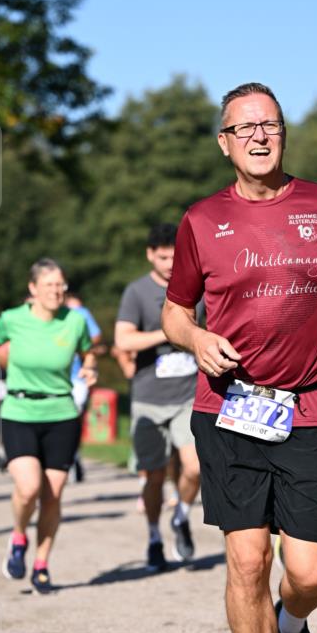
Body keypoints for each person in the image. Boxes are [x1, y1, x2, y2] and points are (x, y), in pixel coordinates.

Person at [162, 82, 317, 633]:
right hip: (228, 408)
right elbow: (175, 311)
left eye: (270, 125)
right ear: (223, 142)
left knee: (311, 573)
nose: (258, 136)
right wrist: (195, 339)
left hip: (308, 405)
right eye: (243, 127)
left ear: (283, 134)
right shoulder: (199, 221)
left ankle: (290, 627)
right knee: (246, 560)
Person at [0, 259, 98, 593]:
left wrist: (90, 368)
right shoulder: (12, 319)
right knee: (29, 487)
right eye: (49, 285)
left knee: (52, 496)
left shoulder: (75, 321)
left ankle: (42, 564)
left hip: (62, 414)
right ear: (33, 289)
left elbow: (89, 352)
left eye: (60, 284)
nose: (56, 291)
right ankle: (18, 537)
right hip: (20, 411)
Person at [115, 223, 202, 572]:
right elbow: (123, 340)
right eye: (163, 256)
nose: (170, 263)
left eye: (175, 256)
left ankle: (180, 516)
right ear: (150, 255)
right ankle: (154, 537)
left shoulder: (198, 287)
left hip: (189, 395)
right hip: (149, 397)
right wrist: (166, 332)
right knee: (152, 476)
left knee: (195, 467)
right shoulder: (136, 292)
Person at [65, 293, 105, 482]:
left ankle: (71, 456)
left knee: (72, 419)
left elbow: (95, 336)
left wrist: (80, 345)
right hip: (52, 379)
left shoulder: (79, 313)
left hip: (76, 377)